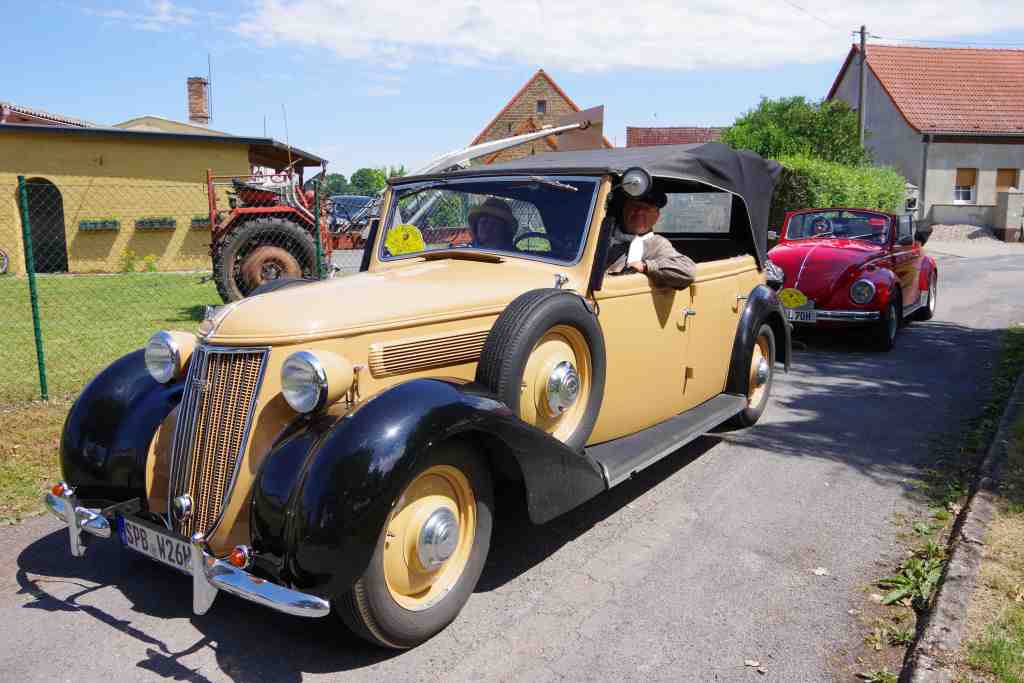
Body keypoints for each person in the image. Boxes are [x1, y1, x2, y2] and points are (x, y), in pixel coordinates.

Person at [605, 190, 696, 290]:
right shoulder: (601, 232)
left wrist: (646, 266)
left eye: (647, 209)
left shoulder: (656, 244)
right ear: (625, 209)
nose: (639, 212)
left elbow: (687, 271)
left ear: (656, 216)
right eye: (635, 206)